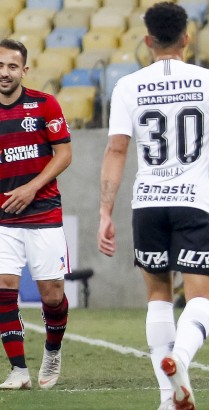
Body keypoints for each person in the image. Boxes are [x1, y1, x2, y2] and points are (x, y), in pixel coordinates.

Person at [97, 3, 209, 410]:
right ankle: (179, 358)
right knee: (201, 298)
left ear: (147, 40)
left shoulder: (128, 86)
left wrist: (105, 211)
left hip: (147, 204)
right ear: (186, 38)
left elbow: (115, 150)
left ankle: (166, 398)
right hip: (193, 201)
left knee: (158, 297)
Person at [0, 39, 71, 390]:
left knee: (53, 296)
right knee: (3, 287)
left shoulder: (45, 104)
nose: (4, 72)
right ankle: (18, 370)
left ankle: (53, 350)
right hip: (2, 219)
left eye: (12, 66)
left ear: (24, 70)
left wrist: (31, 188)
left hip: (43, 212)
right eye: (0, 65)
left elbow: (64, 154)